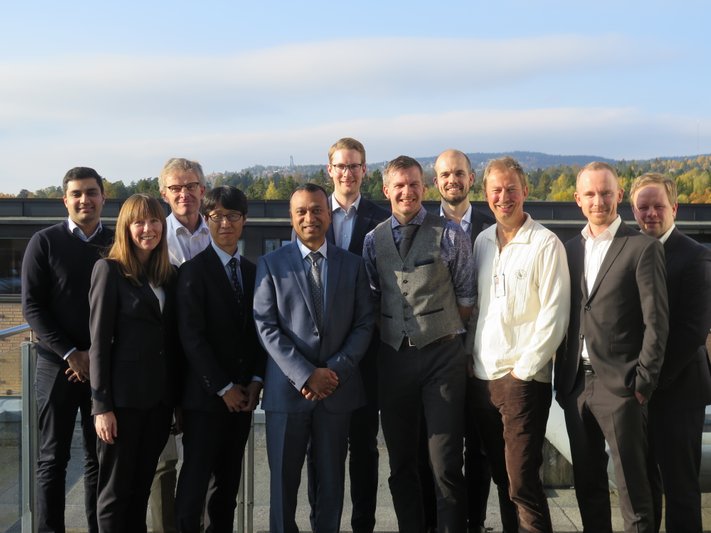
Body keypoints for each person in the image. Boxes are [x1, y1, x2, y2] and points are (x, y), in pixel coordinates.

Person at [555, 162, 669, 533]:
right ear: (577, 200)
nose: (598, 200)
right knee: (587, 487)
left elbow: (657, 321)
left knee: (633, 490)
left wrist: (642, 383)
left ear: (619, 195)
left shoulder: (642, 248)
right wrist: (563, 382)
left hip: (621, 388)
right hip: (575, 386)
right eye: (590, 193)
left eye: (605, 192)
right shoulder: (568, 250)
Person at [254, 183, 374, 533]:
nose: (310, 218)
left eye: (317, 210)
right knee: (282, 487)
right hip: (288, 393)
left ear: (328, 214)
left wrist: (334, 370)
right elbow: (265, 326)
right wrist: (306, 374)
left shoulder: (352, 265)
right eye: (301, 211)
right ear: (291, 217)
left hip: (337, 391)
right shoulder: (271, 264)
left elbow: (365, 322)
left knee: (332, 484)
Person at [363, 156, 474, 533]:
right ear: (387, 190)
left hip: (443, 359)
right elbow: (375, 298)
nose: (407, 192)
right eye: (399, 185)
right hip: (394, 360)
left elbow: (466, 297)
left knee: (445, 464)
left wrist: (438, 331)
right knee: (401, 464)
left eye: (413, 184)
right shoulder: (372, 240)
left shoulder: (452, 234)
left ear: (423, 188)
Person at [469, 156, 570, 533]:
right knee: (503, 479)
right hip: (482, 379)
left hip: (522, 384)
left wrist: (523, 372)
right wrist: (470, 359)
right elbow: (477, 307)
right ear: (486, 195)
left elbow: (555, 314)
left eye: (511, 188)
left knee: (523, 483)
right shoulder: (481, 242)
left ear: (525, 191)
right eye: (496, 190)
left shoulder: (545, 243)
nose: (504, 196)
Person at [21, 166, 114, 533]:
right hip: (54, 364)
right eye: (76, 194)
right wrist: (70, 353)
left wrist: (94, 354)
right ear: (65, 200)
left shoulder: (116, 243)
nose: (84, 200)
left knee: (98, 458)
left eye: (91, 192)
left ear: (103, 197)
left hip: (102, 365)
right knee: (52, 458)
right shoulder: (44, 242)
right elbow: (32, 306)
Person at [305, 137, 389, 533]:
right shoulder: (310, 214)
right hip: (318, 359)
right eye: (341, 165)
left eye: (355, 166)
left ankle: (363, 525)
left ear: (365, 171)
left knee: (364, 449)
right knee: (320, 451)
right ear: (330, 170)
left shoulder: (382, 218)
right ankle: (322, 522)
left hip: (366, 355)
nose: (348, 172)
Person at [174, 186, 266, 532]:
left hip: (242, 400)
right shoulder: (192, 272)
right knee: (194, 486)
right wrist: (223, 387)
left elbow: (262, 331)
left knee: (226, 488)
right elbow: (191, 338)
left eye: (233, 216)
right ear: (207, 219)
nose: (225, 223)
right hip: (205, 400)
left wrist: (256, 380)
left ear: (244, 222)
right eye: (217, 216)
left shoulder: (254, 272)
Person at [89, 194, 180, 532]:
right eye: (139, 222)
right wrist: (101, 406)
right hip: (121, 405)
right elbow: (98, 343)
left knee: (141, 489)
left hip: (158, 404)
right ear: (126, 228)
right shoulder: (108, 270)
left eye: (155, 220)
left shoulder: (168, 275)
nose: (148, 228)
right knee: (114, 494)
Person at [630, 173, 711, 533]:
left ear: (674, 208)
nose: (650, 214)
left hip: (678, 390)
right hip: (637, 392)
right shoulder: (629, 250)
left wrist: (649, 380)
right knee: (644, 487)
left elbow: (692, 330)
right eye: (643, 207)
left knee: (680, 489)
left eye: (658, 206)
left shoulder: (696, 257)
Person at [431, 148, 494, 533]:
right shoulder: (419, 226)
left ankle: (475, 522)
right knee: (440, 450)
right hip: (436, 360)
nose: (452, 179)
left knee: (481, 449)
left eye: (459, 172)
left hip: (484, 358)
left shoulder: (493, 226)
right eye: (445, 174)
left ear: (471, 178)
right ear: (435, 182)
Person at [150, 157, 211, 532]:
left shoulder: (218, 232)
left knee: (205, 461)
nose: (184, 194)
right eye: (176, 188)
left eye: (191, 186)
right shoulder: (152, 237)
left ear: (202, 190)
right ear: (164, 194)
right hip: (164, 367)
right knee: (163, 465)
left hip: (208, 369)